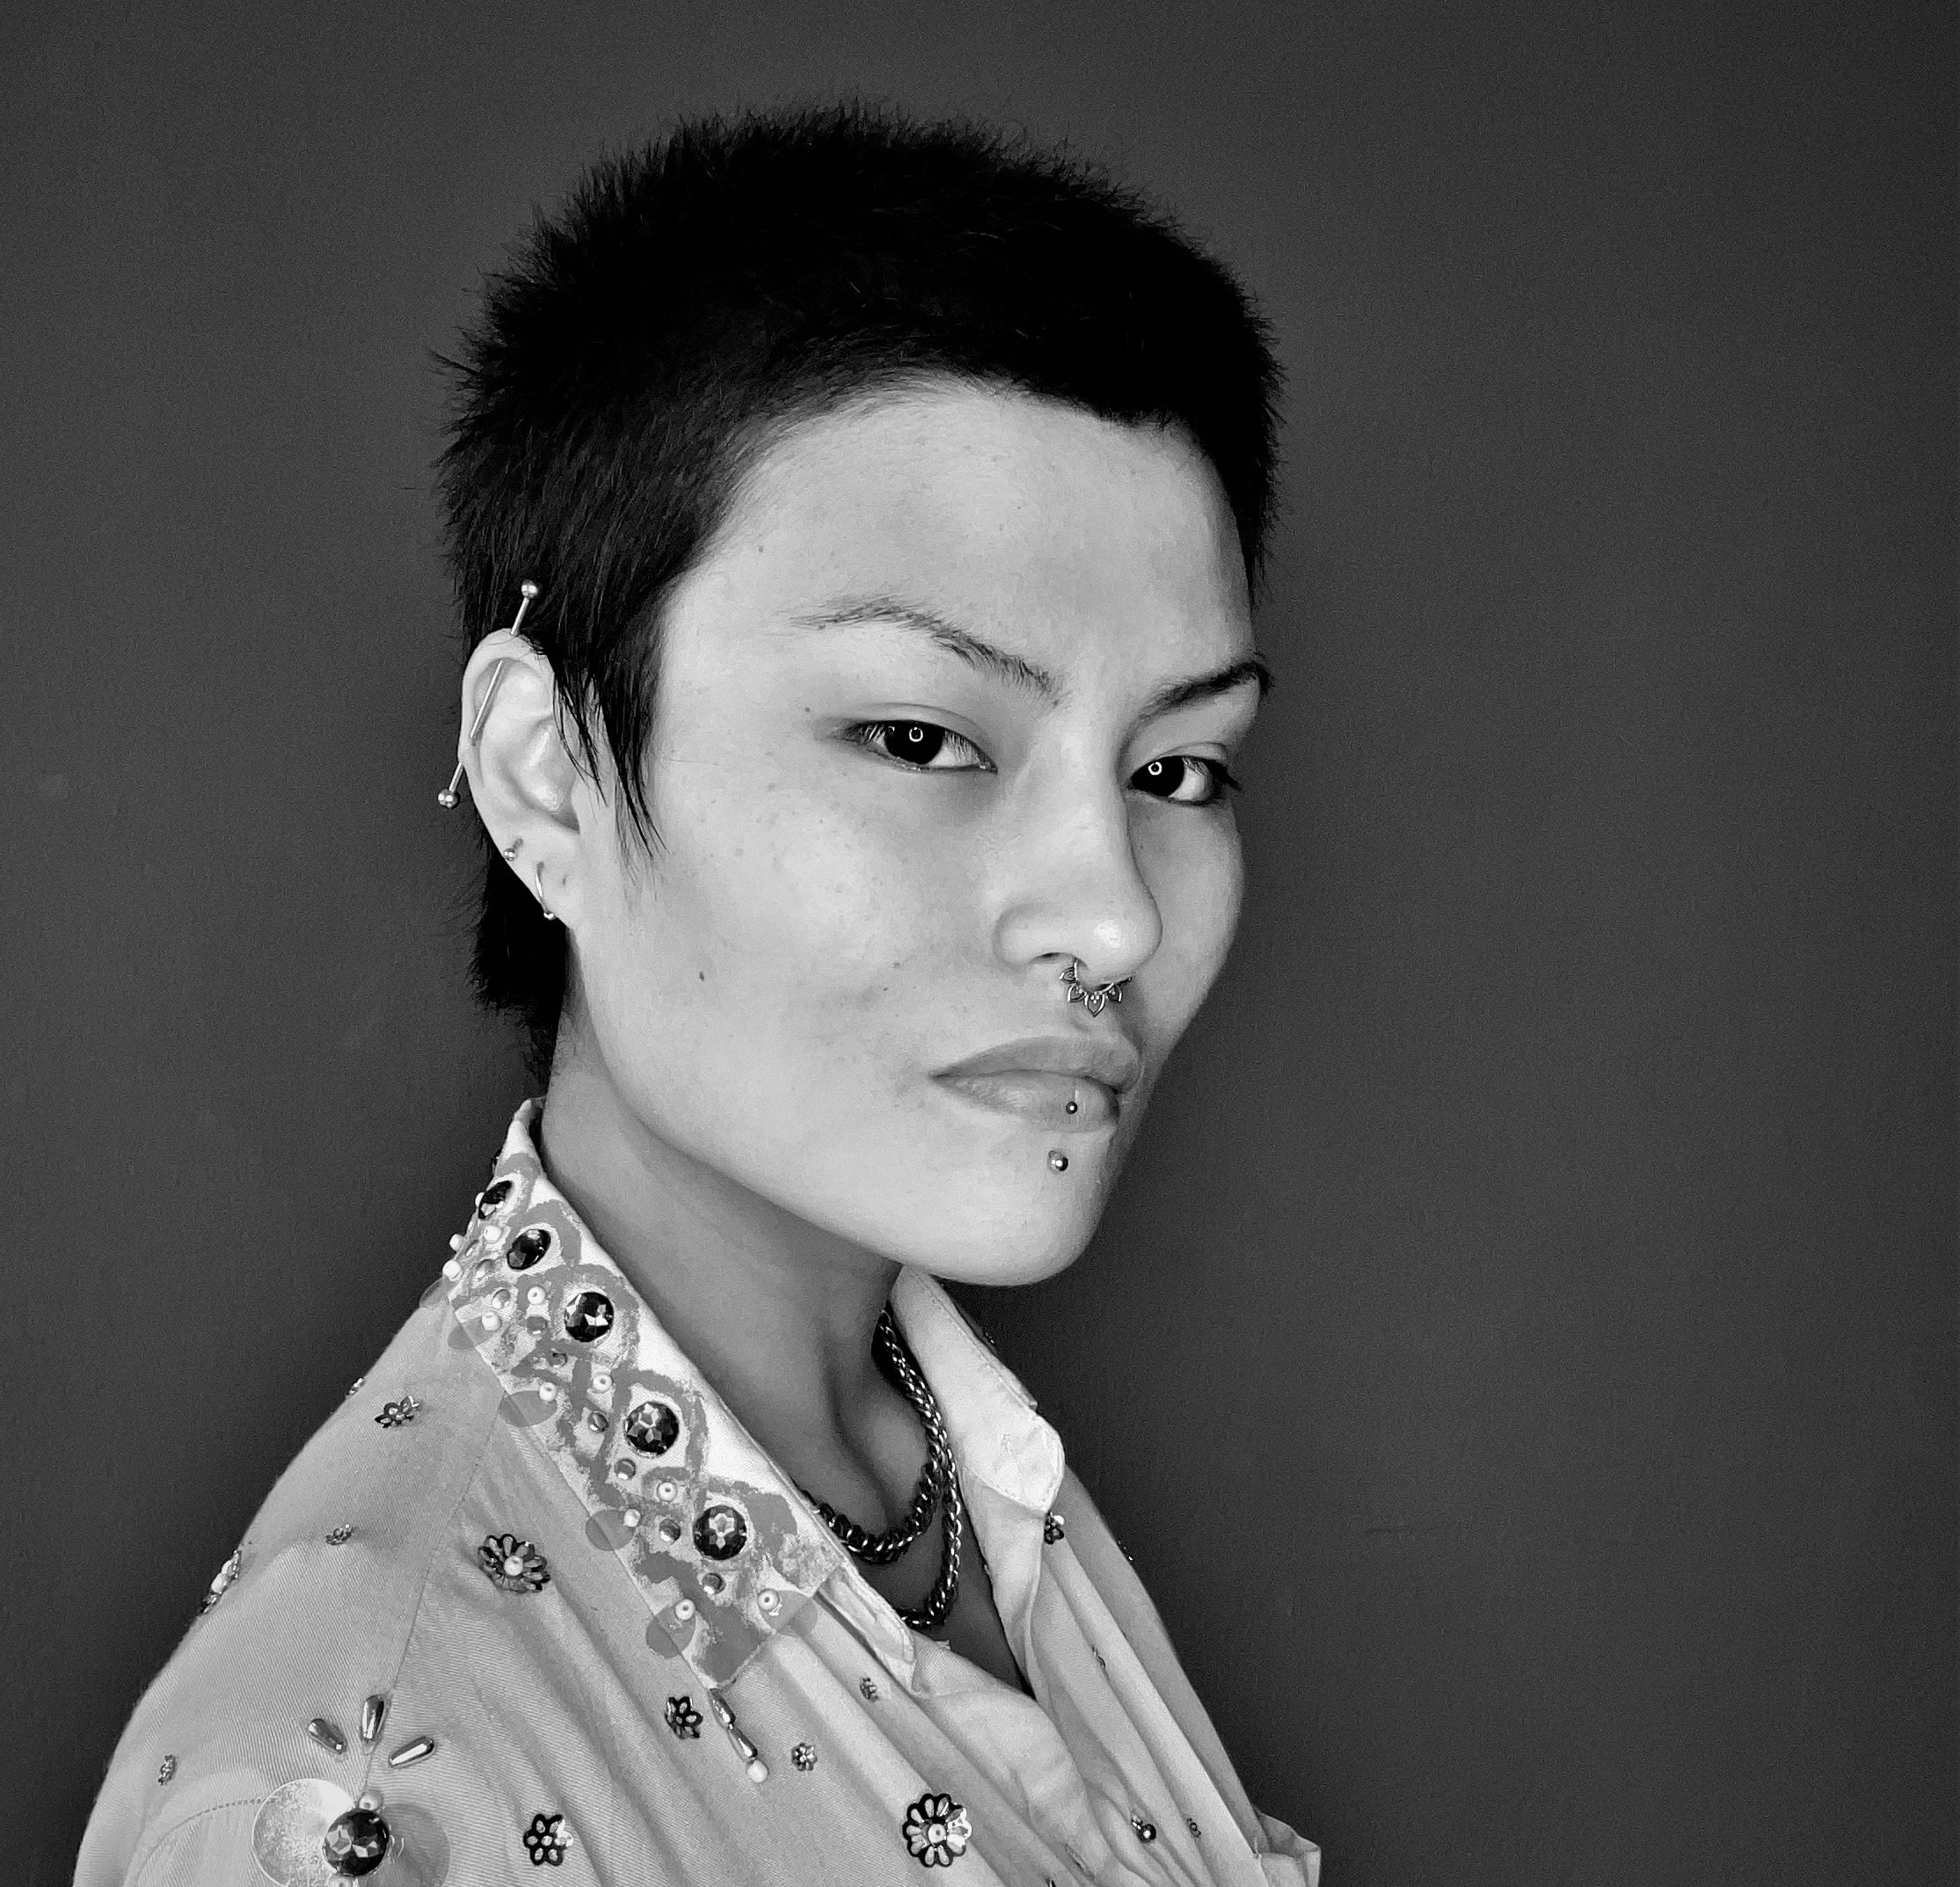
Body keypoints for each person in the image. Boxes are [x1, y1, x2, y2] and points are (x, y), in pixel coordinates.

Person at [77, 105, 1319, 1887]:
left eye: (1177, 769)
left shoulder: (968, 1478)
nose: (1114, 915)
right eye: (919, 737)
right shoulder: (360, 1792)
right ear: (547, 772)